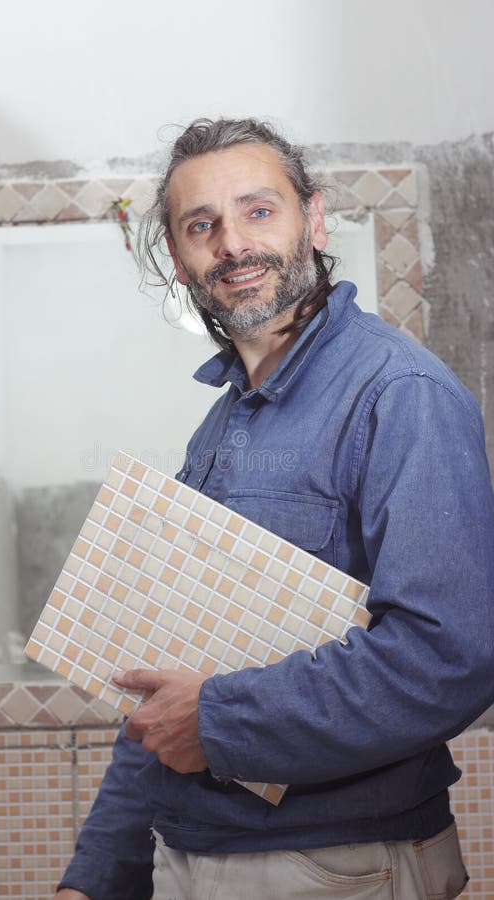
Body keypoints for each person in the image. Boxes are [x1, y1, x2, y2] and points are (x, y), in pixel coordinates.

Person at [55, 118, 494, 899]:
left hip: (333, 866)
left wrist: (219, 720)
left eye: (258, 211)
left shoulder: (401, 396)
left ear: (314, 219)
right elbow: (160, 693)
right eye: (202, 225)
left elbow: (448, 659)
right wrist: (95, 878)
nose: (233, 244)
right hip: (184, 857)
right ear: (180, 259)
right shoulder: (219, 430)